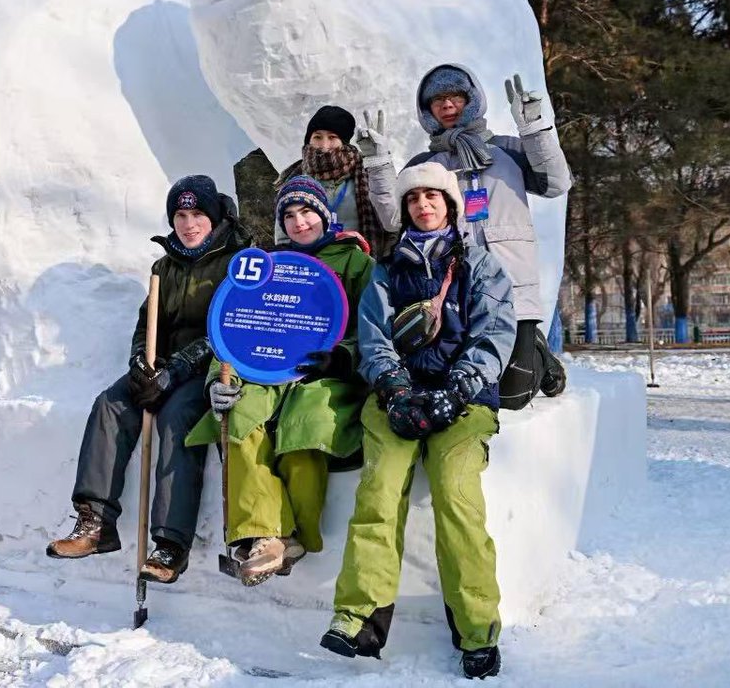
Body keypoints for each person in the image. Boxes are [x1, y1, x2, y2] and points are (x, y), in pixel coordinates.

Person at [320, 162, 516, 680]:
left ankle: (477, 630)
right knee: (379, 492)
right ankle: (359, 617)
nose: (423, 205)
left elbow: (494, 334)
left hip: (464, 401)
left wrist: (459, 389)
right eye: (413, 199)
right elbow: (372, 336)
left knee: (457, 498)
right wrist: (395, 388)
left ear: (449, 205)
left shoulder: (480, 264)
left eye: (432, 197)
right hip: (398, 398)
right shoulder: (388, 269)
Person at [46, 175, 253, 584]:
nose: (189, 224)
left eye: (197, 215)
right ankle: (95, 522)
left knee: (178, 417)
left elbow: (230, 328)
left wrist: (177, 369)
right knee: (110, 404)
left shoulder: (237, 263)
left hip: (206, 368)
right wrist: (141, 363)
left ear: (214, 218)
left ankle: (171, 545)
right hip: (162, 365)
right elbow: (147, 323)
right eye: (180, 215)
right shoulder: (165, 265)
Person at [185, 177, 374, 585]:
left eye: (306, 211)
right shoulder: (269, 267)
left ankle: (296, 537)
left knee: (305, 425)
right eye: (288, 215)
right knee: (241, 417)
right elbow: (235, 330)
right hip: (267, 372)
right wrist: (219, 381)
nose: (299, 222)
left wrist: (343, 356)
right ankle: (264, 536)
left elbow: (376, 328)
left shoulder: (356, 263)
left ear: (323, 215)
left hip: (324, 374)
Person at [394, 65, 570, 409]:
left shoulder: (509, 150)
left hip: (513, 285)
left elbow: (557, 183)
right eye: (437, 100)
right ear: (427, 111)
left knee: (513, 396)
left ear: (471, 99)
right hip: (460, 290)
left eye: (454, 97)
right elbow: (394, 217)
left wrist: (534, 129)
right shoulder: (426, 164)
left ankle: (537, 350)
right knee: (470, 381)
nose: (446, 105)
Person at [273, 105, 398, 256]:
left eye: (332, 137)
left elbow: (392, 216)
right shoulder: (296, 179)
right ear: (309, 140)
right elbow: (284, 235)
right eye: (317, 137)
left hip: (360, 265)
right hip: (309, 268)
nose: (324, 146)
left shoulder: (367, 171)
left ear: (344, 142)